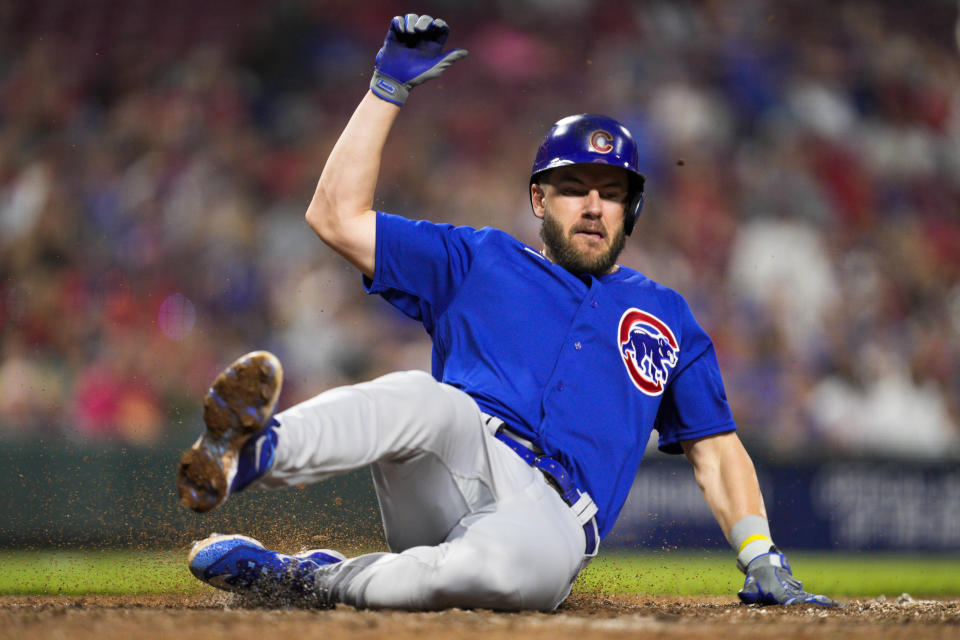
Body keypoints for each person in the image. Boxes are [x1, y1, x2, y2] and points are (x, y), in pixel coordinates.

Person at [177, 14, 838, 611]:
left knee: (481, 574)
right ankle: (253, 451)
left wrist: (760, 555)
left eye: (612, 193)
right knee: (421, 397)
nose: (592, 204)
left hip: (552, 519)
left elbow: (716, 450)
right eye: (572, 187)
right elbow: (334, 217)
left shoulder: (666, 316)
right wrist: (386, 89)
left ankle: (309, 580)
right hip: (455, 457)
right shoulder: (478, 259)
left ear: (630, 210)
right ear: (538, 200)